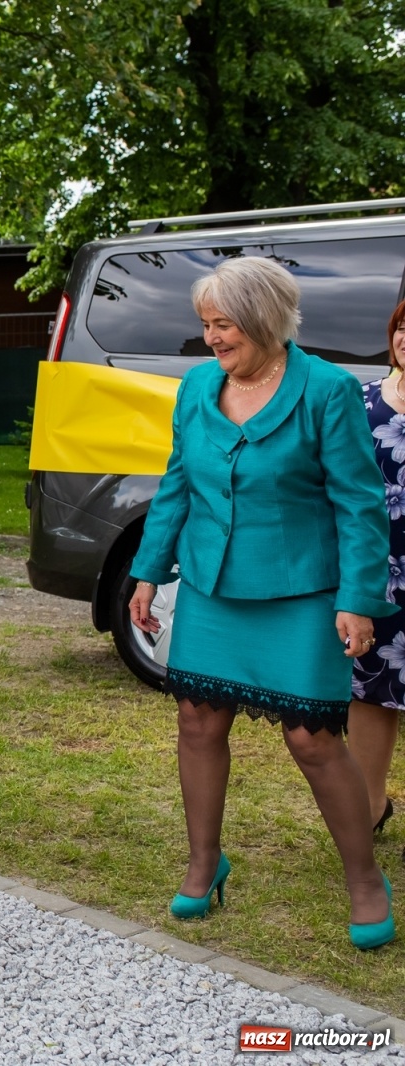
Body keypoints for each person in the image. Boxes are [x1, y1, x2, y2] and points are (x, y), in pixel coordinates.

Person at [128, 257, 396, 949]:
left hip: (304, 592)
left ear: (265, 318)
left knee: (312, 738)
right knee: (196, 723)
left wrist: (358, 599)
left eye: (224, 324)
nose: (212, 338)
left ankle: (365, 879)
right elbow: (178, 485)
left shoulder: (327, 391)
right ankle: (202, 862)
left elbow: (360, 505)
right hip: (214, 589)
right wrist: (147, 574)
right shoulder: (196, 390)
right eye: (206, 325)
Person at [350, 300, 405, 847]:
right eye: (402, 328)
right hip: (377, 570)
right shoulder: (360, 401)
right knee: (372, 692)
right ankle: (367, 808)